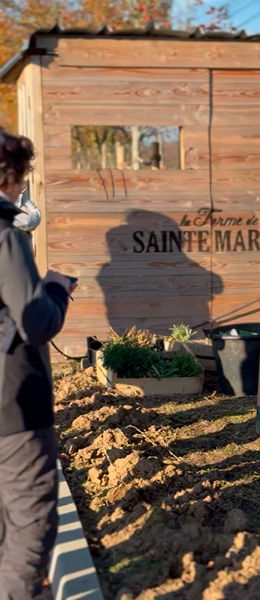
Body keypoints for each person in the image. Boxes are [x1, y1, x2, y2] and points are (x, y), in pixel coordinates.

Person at [0, 127, 76, 598]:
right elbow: (37, 322)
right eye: (22, 175)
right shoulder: (4, 237)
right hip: (13, 403)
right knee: (30, 527)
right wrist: (55, 289)